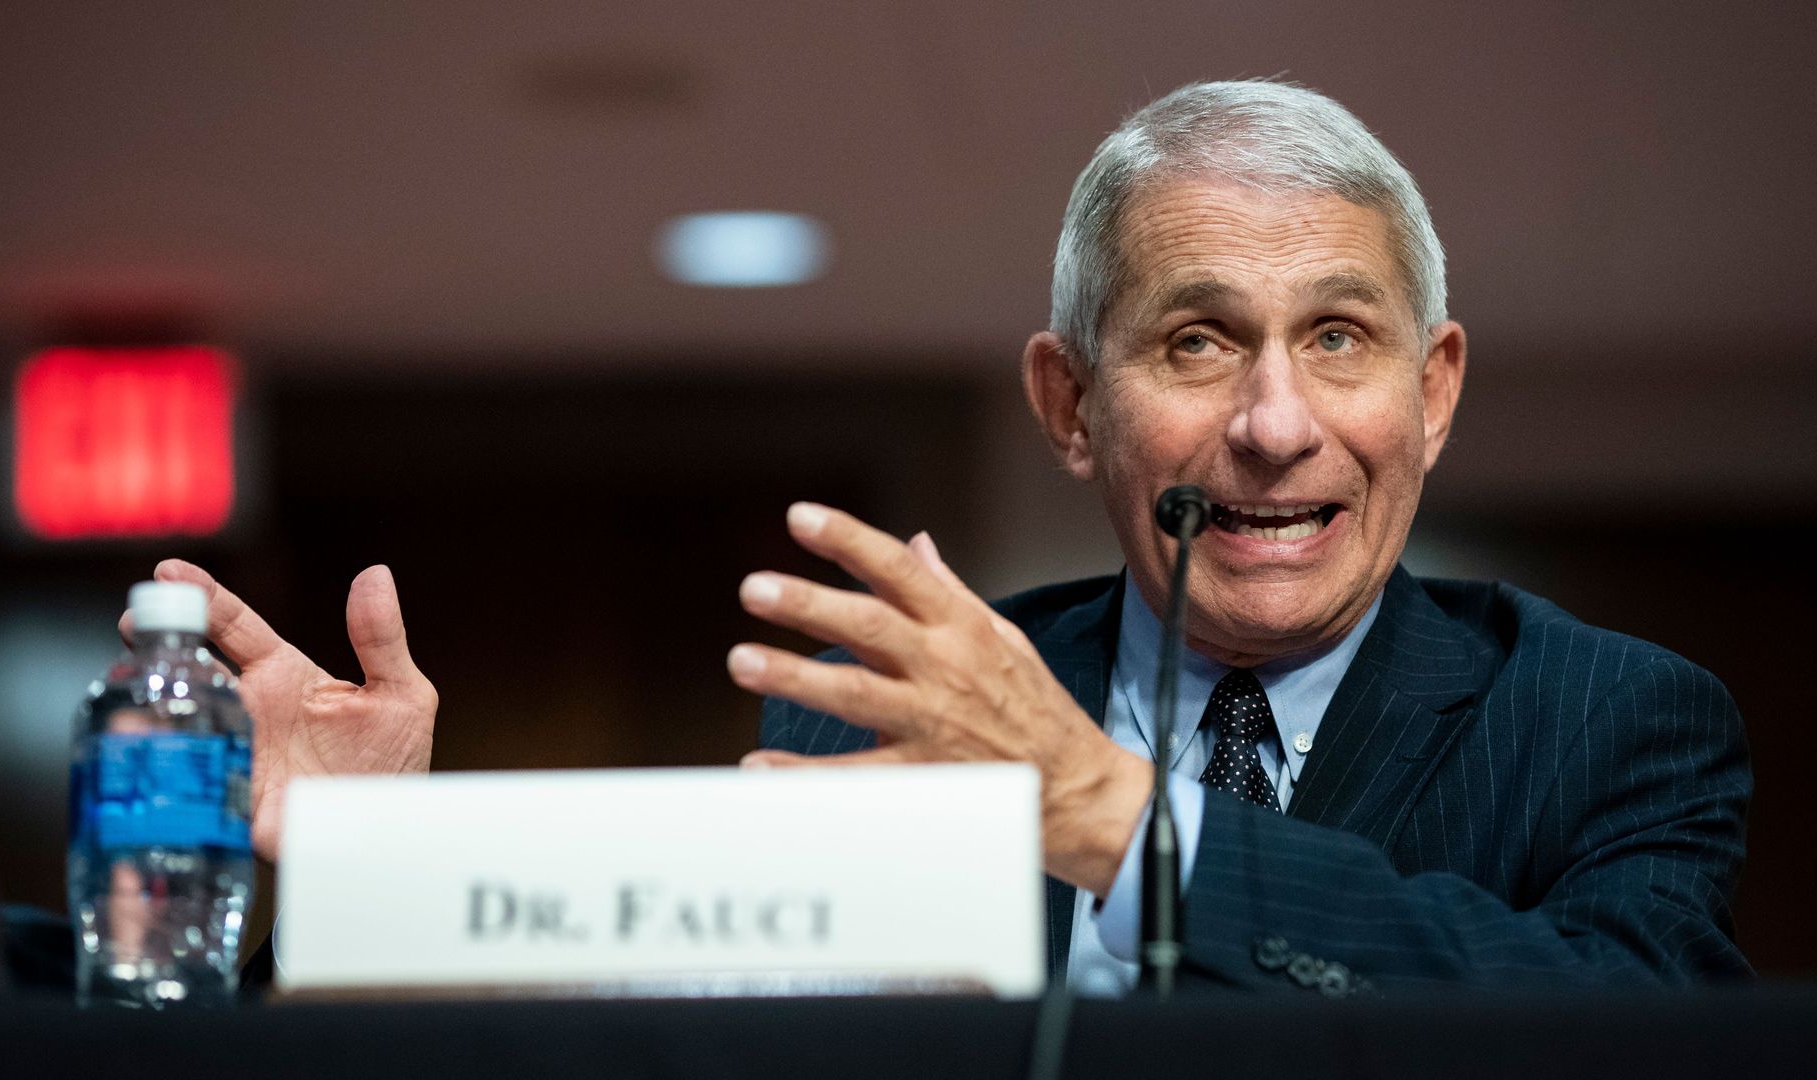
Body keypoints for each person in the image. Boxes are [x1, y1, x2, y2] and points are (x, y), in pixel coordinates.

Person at [146, 79, 1748, 994]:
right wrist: (376, 880)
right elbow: (684, 1029)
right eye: (1197, 341)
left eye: (1339, 337)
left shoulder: (1610, 721)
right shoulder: (880, 708)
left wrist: (1121, 825)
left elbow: (1644, 1035)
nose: (1275, 422)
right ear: (1070, 403)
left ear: (1435, 388)